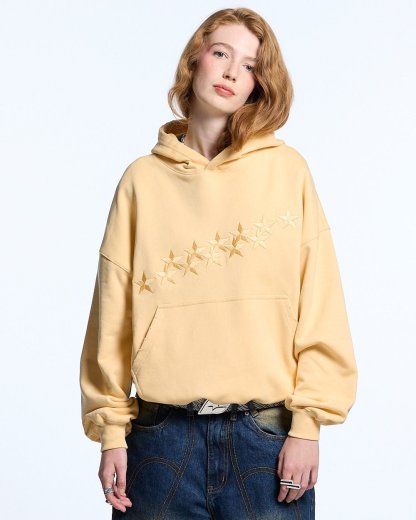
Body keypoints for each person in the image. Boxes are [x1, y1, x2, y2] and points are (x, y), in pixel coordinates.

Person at [79, 7, 358, 519]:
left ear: (259, 85)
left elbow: (321, 304)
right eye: (221, 53)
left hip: (266, 440)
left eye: (250, 65)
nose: (232, 72)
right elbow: (110, 316)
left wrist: (308, 426)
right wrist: (111, 433)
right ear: (195, 61)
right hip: (159, 441)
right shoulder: (142, 181)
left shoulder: (287, 172)